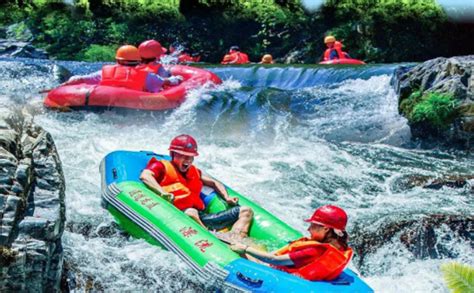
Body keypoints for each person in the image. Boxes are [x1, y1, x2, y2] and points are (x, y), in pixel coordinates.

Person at [140, 134, 254, 239]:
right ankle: (213, 239)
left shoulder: (194, 171)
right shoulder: (161, 166)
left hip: (201, 217)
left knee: (246, 211)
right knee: (190, 212)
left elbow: (214, 183)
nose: (188, 161)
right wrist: (162, 192)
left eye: (191, 157)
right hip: (179, 216)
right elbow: (145, 176)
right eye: (184, 156)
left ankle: (236, 240)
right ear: (172, 154)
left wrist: (227, 197)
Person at [230, 205, 353, 281]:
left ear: (326, 229)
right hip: (298, 276)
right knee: (246, 240)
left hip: (274, 272)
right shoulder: (340, 247)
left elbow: (274, 260)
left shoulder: (314, 251)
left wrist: (245, 248)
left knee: (235, 243)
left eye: (312, 225)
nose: (308, 229)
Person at [61, 45, 164, 93]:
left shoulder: (103, 73)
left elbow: (78, 79)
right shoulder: (148, 76)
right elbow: (166, 82)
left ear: (118, 61)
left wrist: (64, 85)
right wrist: (177, 79)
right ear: (138, 61)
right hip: (131, 106)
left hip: (103, 103)